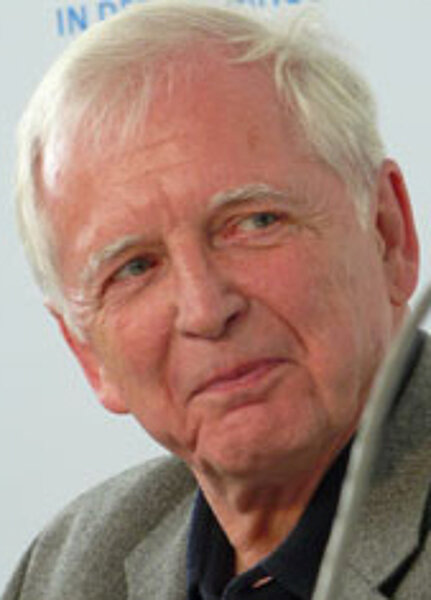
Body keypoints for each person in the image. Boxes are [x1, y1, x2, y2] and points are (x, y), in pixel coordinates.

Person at [3, 2, 430, 599]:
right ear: (88, 355)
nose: (206, 310)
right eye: (135, 268)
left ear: (388, 233)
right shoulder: (64, 571)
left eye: (255, 222)